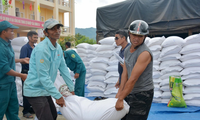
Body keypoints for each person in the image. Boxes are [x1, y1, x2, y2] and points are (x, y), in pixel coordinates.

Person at [23, 18, 75, 120]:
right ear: (45, 33)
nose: (57, 31)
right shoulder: (42, 49)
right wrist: (58, 96)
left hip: (44, 89)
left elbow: (63, 68)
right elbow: (43, 77)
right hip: (35, 89)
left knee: (53, 115)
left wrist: (71, 88)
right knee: (47, 118)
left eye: (58, 28)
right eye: (53, 29)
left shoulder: (58, 47)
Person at [115, 20, 154, 120]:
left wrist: (120, 99)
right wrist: (120, 91)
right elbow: (125, 72)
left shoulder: (144, 53)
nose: (136, 39)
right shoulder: (127, 50)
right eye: (134, 35)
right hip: (130, 91)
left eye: (140, 36)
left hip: (142, 93)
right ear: (129, 34)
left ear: (145, 37)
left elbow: (132, 79)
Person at [0, 20, 29, 120]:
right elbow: (5, 68)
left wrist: (21, 60)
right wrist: (21, 75)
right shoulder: (0, 47)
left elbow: (9, 59)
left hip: (10, 83)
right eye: (11, 31)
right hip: (2, 84)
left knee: (13, 109)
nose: (13, 33)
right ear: (4, 32)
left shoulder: (8, 44)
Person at [19, 31, 38, 118]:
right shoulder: (25, 48)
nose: (36, 39)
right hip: (26, 72)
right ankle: (25, 111)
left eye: (37, 37)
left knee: (33, 92)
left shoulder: (35, 48)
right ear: (29, 38)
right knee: (26, 92)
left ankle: (31, 109)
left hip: (34, 73)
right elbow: (23, 60)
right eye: (34, 37)